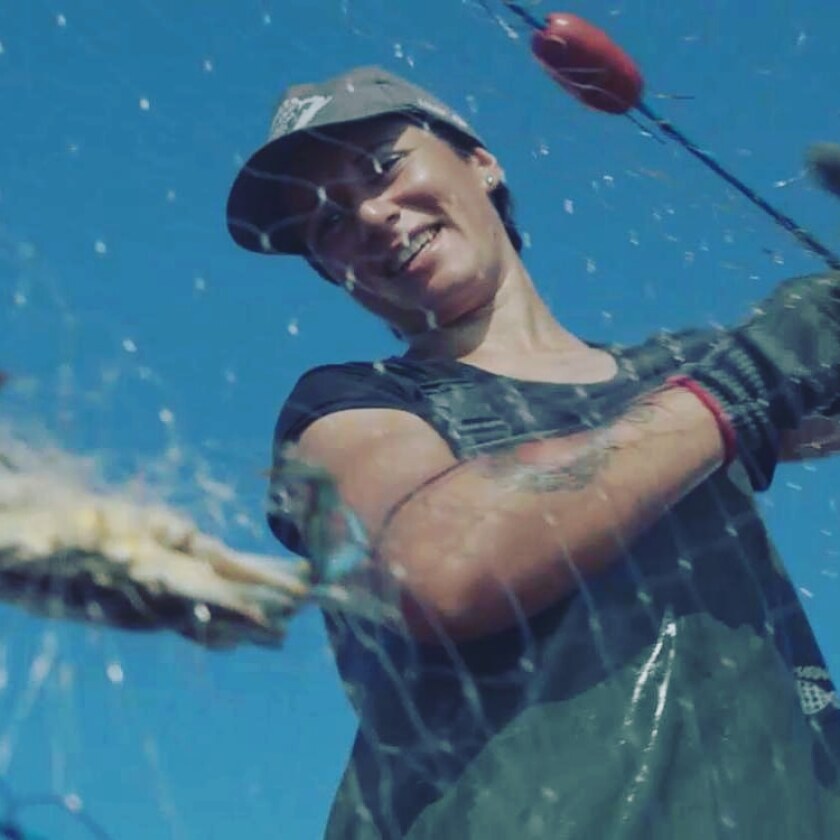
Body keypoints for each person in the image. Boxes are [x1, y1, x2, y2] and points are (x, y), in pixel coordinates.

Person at [226, 66, 840, 839]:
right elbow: (437, 569)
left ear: (480, 161)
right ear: (333, 272)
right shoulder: (340, 408)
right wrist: (747, 382)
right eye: (329, 222)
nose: (373, 215)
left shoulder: (681, 373)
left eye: (383, 166)